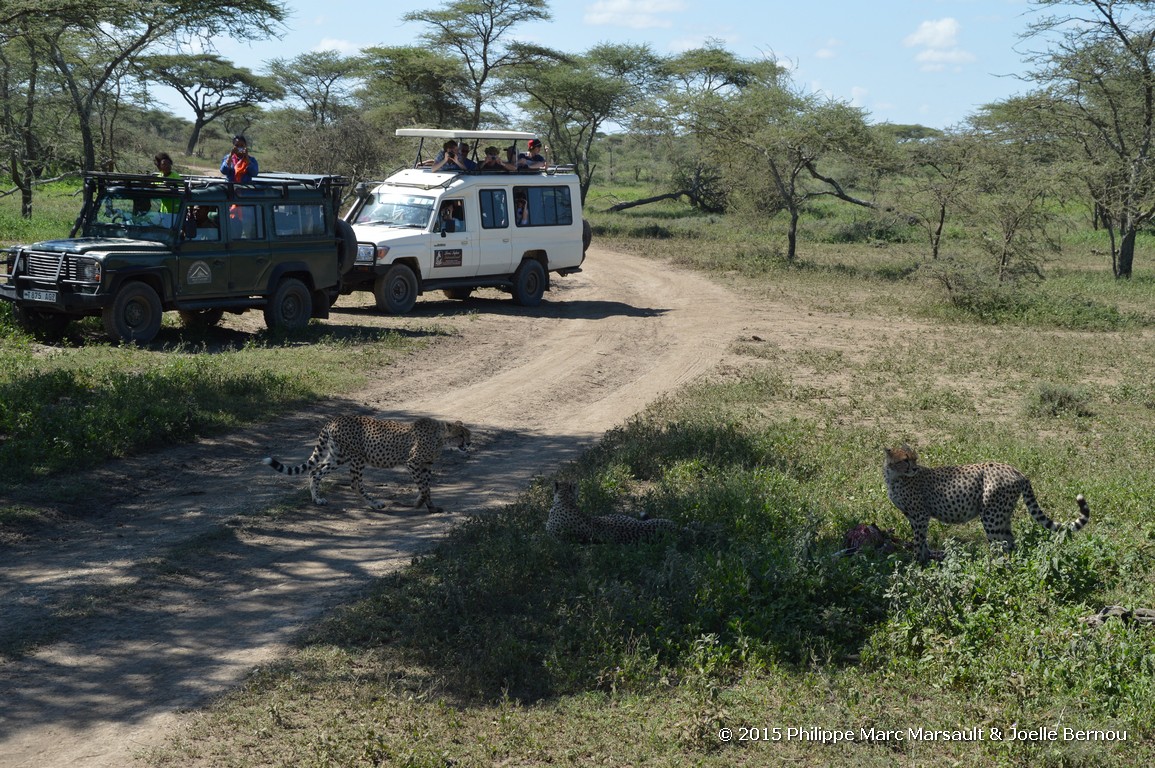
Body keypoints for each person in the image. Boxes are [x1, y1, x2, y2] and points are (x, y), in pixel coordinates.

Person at [154, 152, 182, 223]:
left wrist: (171, 186)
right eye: (164, 164)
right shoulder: (159, 177)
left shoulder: (175, 176)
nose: (167, 166)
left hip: (175, 209)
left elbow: (181, 189)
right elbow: (155, 188)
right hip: (163, 210)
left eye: (169, 164)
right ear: (159, 166)